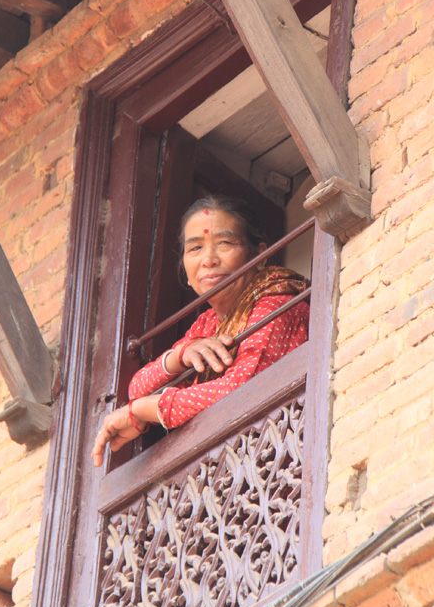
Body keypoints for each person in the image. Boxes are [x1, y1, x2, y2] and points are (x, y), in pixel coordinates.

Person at [91, 195, 310, 467]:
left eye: (225, 243)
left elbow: (238, 394)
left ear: (258, 255)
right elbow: (137, 389)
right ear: (185, 268)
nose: (208, 260)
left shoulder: (278, 303)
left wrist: (142, 411)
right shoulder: (207, 324)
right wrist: (179, 356)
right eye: (195, 248)